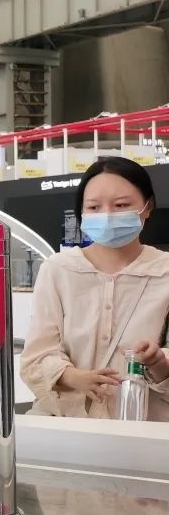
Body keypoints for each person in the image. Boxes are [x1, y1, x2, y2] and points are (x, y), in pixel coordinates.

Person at [20, 157, 169, 419]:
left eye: (121, 205)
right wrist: (74, 377)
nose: (107, 215)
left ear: (147, 207)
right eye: (94, 207)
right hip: (67, 425)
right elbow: (36, 357)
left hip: (144, 430)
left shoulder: (164, 271)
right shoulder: (59, 269)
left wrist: (159, 363)